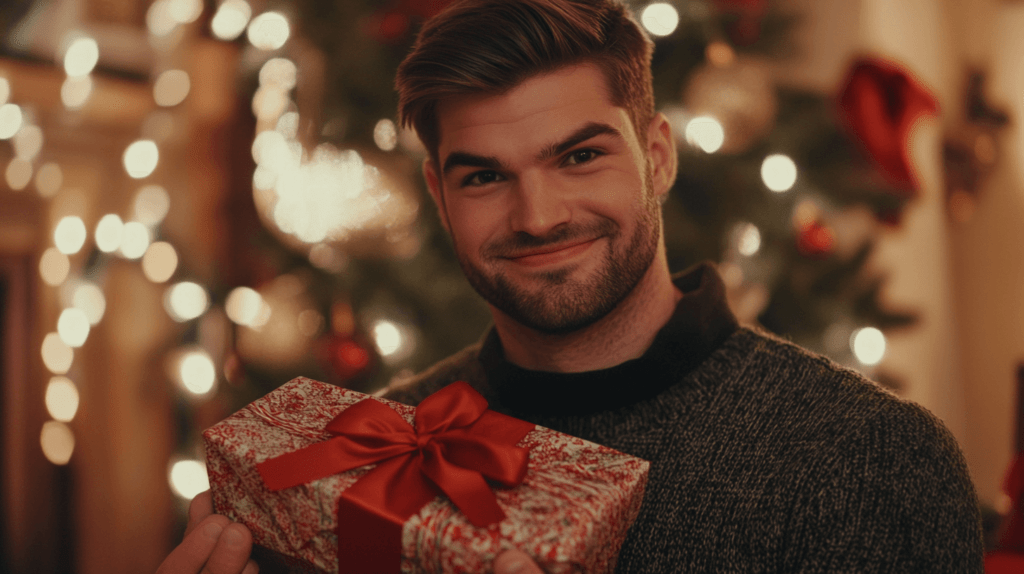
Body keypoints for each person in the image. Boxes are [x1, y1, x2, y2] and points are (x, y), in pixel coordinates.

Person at [159, 0, 984, 572]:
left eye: (580, 155)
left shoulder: (871, 459)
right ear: (441, 197)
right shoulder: (385, 453)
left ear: (657, 155)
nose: (538, 215)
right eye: (483, 176)